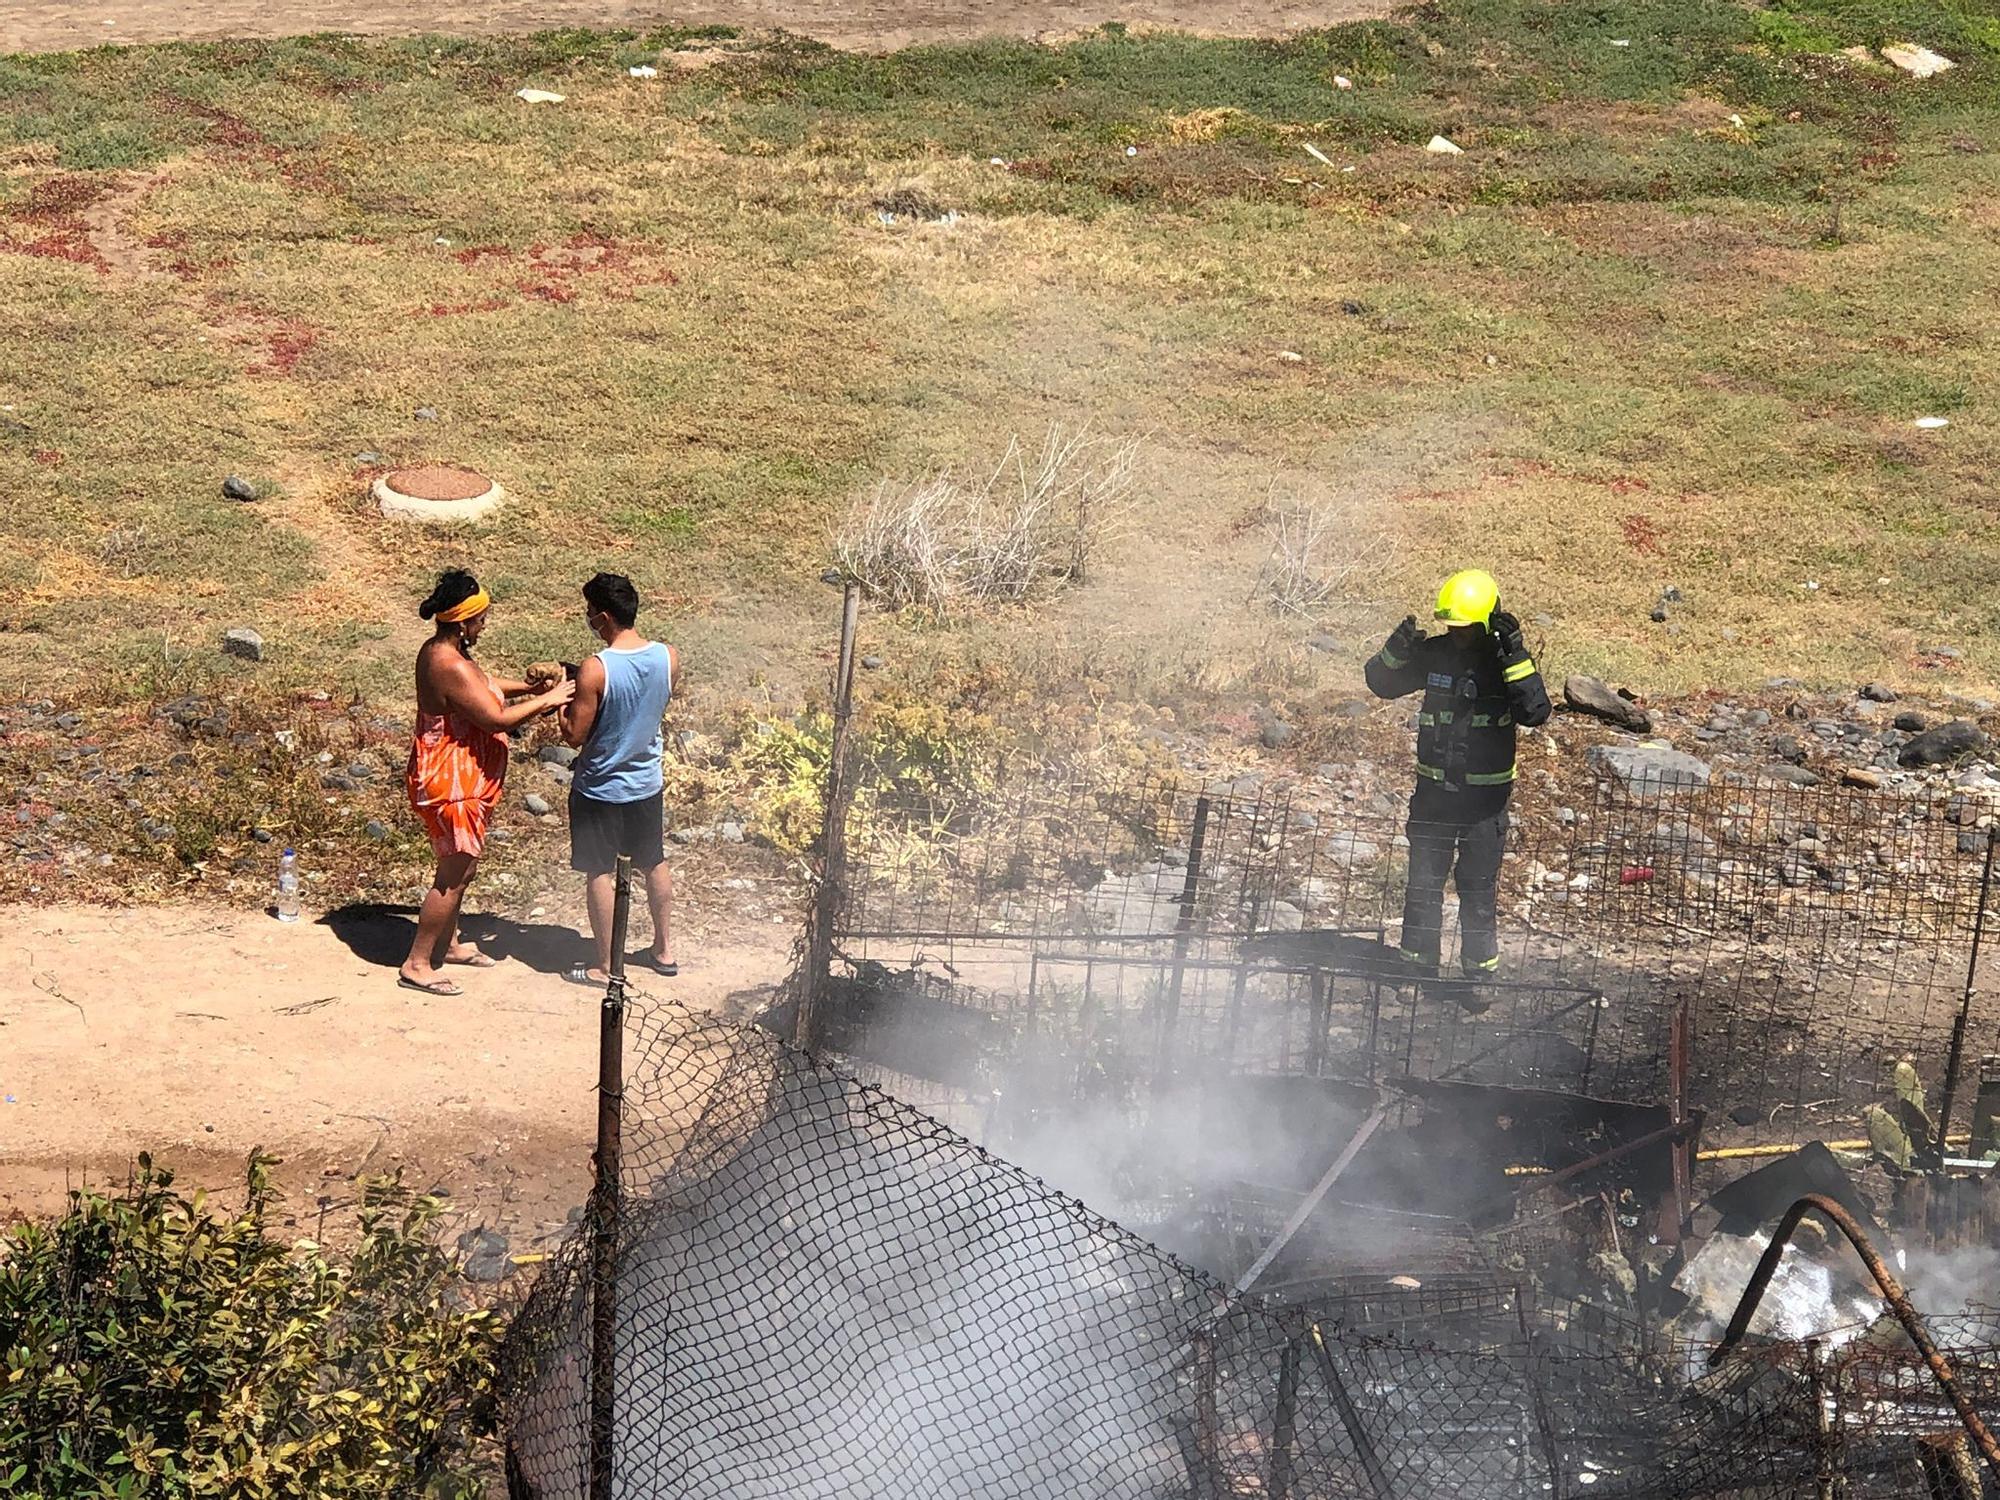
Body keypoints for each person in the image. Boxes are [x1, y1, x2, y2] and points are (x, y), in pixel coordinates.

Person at [1364, 568, 1550, 983]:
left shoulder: (1504, 663)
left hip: (1484, 805)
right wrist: (1395, 651)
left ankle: (1479, 978)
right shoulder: (1437, 654)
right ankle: (1417, 969)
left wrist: (1516, 658)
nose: (1458, 635)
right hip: (1433, 796)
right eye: (1452, 627)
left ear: (1487, 621)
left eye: (1465, 628)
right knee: (1423, 886)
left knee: (1477, 892)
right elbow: (1382, 684)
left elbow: (1535, 713)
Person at [400, 570, 575, 996]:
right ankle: (417, 962)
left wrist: (530, 687)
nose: (484, 625)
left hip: (460, 777)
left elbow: (487, 687)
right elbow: (494, 717)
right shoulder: (447, 663)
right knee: (454, 872)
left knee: (464, 865)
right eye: (481, 619)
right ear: (463, 622)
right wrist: (547, 701)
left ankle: (450, 943)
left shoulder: (446, 651)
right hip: (450, 782)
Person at [560, 572, 679, 985]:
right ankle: (663, 950)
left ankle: (607, 966)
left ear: (604, 617)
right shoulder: (668, 657)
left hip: (599, 788)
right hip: (646, 783)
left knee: (600, 871)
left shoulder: (595, 669)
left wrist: (564, 698)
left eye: (591, 612)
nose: (589, 618)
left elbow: (574, 735)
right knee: (653, 861)